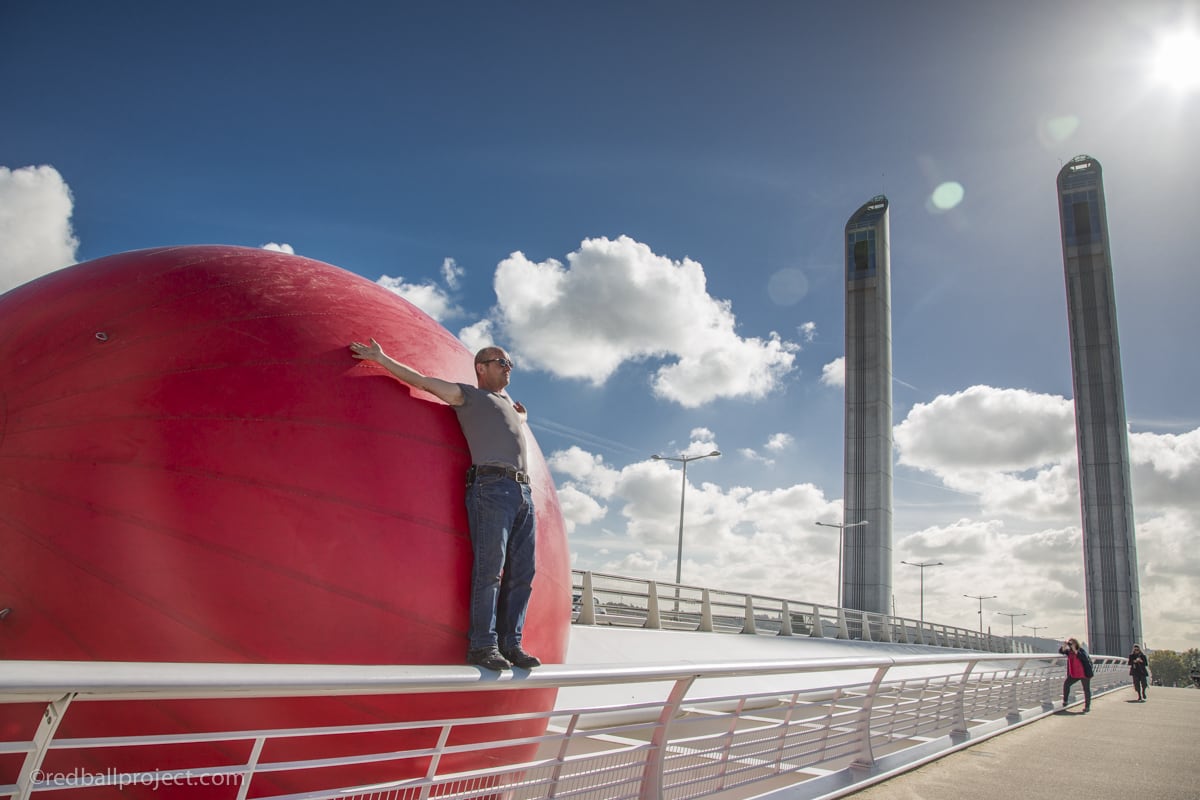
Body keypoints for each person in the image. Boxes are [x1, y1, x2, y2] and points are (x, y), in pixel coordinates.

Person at [349, 338, 540, 672]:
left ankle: (512, 643)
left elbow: (512, 425)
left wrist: (523, 417)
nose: (508, 368)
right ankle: (484, 644)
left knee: (523, 573)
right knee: (490, 570)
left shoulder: (507, 405)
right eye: (501, 362)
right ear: (481, 367)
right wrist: (382, 358)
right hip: (491, 487)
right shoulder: (468, 395)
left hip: (523, 493)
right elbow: (421, 382)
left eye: (510, 364)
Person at [1059, 637, 1094, 712]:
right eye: (1070, 643)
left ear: (1076, 643)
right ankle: (1065, 701)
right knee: (1066, 684)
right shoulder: (1069, 652)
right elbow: (1061, 651)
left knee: (1086, 690)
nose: (1071, 645)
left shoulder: (1081, 650)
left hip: (1084, 673)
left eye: (1072, 643)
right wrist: (1064, 645)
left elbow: (1083, 657)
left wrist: (1075, 649)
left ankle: (1087, 707)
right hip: (1074, 674)